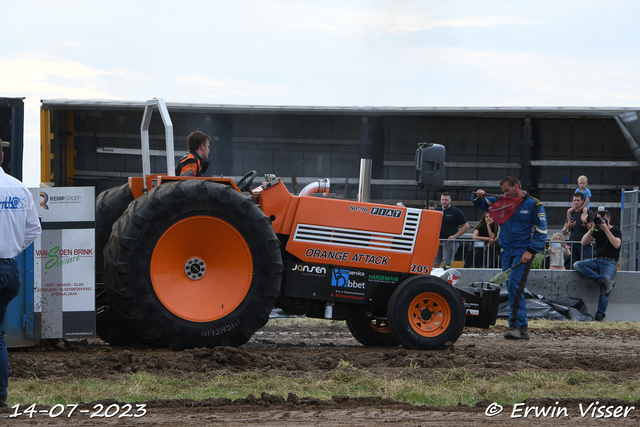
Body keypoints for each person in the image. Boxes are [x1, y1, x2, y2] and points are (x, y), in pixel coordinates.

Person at [472, 176, 547, 340]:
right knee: (514, 288)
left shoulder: (534, 205)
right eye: (503, 192)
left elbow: (542, 232)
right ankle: (523, 327)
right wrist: (478, 195)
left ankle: (514, 325)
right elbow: (481, 203)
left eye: (507, 190)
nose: (504, 194)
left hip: (522, 253)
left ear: (516, 186)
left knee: (514, 286)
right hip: (506, 252)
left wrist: (531, 250)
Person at [0, 148, 42, 407]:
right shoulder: (18, 189)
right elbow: (34, 229)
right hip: (10, 270)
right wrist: (12, 248)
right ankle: (0, 396)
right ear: (2, 157)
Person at [573, 209, 621, 322]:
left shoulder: (615, 230)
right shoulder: (597, 229)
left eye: (602, 218)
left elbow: (617, 244)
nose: (601, 221)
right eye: (598, 218)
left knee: (604, 290)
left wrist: (605, 229)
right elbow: (583, 242)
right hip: (597, 260)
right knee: (577, 265)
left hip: (610, 262)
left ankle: (600, 315)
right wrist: (593, 227)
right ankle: (602, 280)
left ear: (608, 218)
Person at [434, 192, 469, 268]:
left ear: (450, 200)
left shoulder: (455, 211)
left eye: (446, 200)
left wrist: (455, 236)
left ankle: (446, 279)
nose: (444, 201)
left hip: (449, 241)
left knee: (446, 264)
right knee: (435, 264)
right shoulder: (436, 210)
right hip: (437, 241)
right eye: (442, 199)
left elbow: (466, 226)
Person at [562, 192, 595, 267]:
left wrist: (585, 222)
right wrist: (568, 226)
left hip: (585, 244)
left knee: (585, 265)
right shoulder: (571, 213)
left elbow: (593, 230)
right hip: (573, 243)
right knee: (573, 265)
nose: (576, 202)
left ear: (582, 201)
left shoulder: (589, 213)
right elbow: (564, 232)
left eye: (578, 200)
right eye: (574, 200)